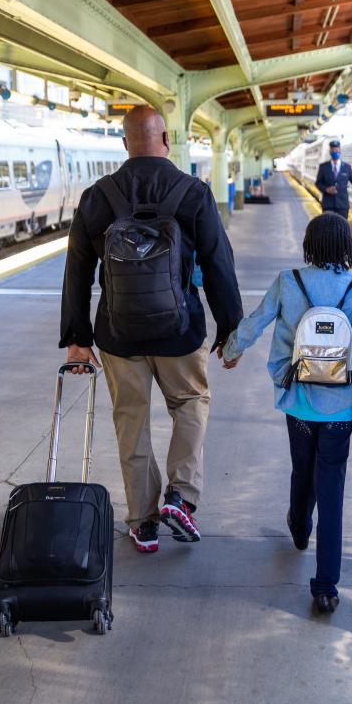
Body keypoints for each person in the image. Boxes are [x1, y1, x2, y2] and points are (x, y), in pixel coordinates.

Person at [60, 106, 243, 554]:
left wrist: (77, 338)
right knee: (190, 404)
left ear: (125, 143)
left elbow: (78, 271)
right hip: (180, 331)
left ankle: (143, 523)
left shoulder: (97, 197)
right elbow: (219, 264)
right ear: (166, 138)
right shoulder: (193, 192)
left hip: (119, 335)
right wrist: (230, 330)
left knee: (131, 423)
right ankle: (180, 496)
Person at [220, 213, 352, 614]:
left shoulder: (289, 281)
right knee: (332, 488)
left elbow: (256, 321)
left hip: (300, 401)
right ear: (346, 247)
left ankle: (300, 527)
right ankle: (325, 587)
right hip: (341, 403)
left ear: (309, 246)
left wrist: (231, 350)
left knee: (302, 470)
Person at [314, 139, 352, 219]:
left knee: (341, 228)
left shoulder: (347, 167)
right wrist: (326, 189)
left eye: (336, 149)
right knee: (328, 228)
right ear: (330, 151)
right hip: (328, 204)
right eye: (333, 150)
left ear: (340, 151)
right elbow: (318, 183)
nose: (335, 152)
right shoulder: (323, 167)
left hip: (342, 205)